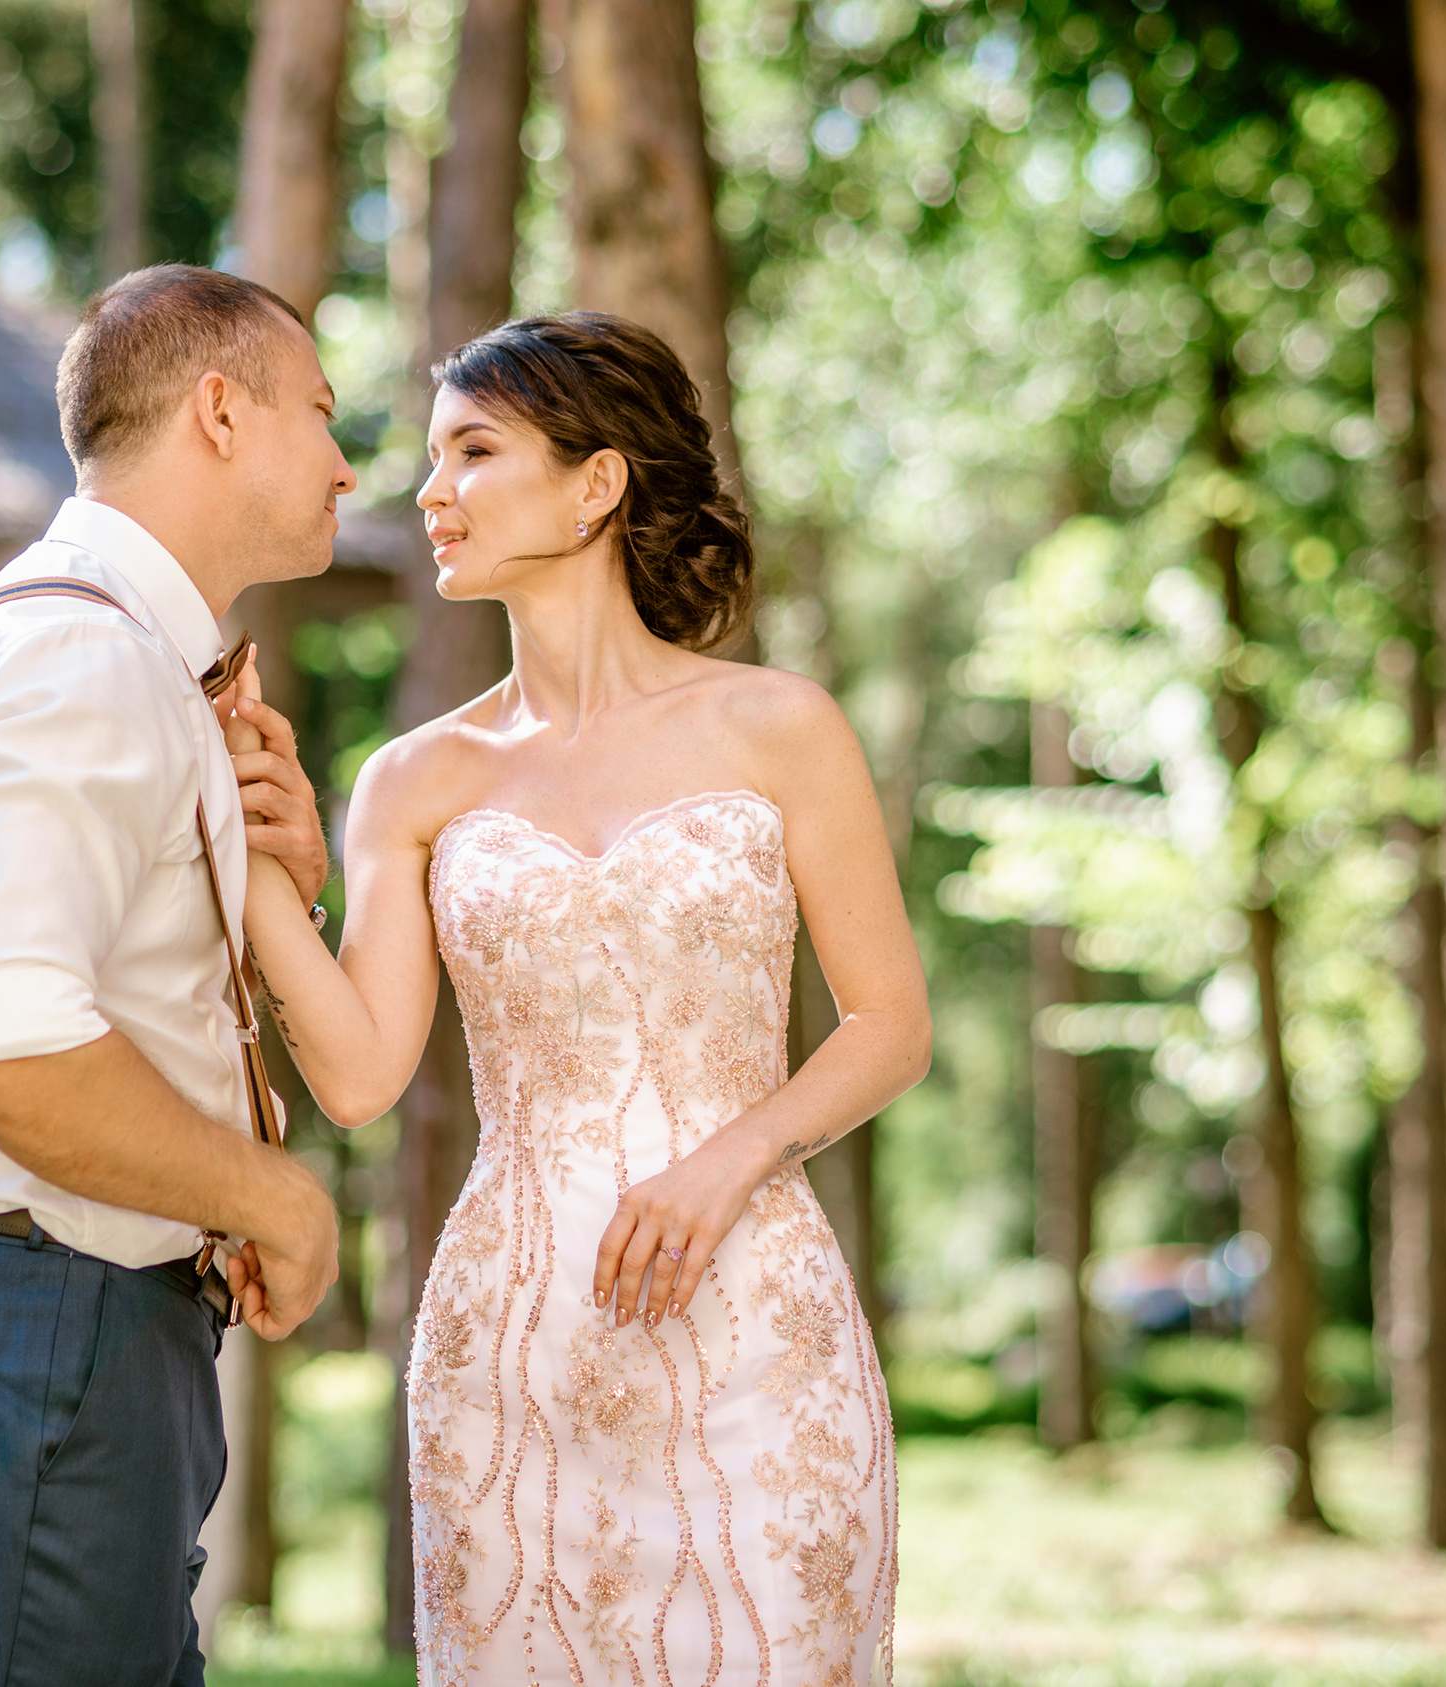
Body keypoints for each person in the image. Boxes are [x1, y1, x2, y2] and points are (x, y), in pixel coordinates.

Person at [224, 312, 932, 1684]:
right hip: (514, 1347)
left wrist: (727, 1160)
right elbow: (363, 1076)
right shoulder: (414, 781)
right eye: (432, 460)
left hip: (755, 1335)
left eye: (474, 452)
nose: (429, 493)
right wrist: (258, 862)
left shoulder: (779, 727)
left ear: (598, 481)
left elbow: (890, 1023)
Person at [0, 264, 349, 1687]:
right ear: (223, 414)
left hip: (61, 1324)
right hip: (36, 1322)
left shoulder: (86, 649)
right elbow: (9, 1046)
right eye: (321, 411)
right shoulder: (80, 658)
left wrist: (279, 895)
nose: (347, 460)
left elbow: (102, 1000)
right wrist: (273, 1197)